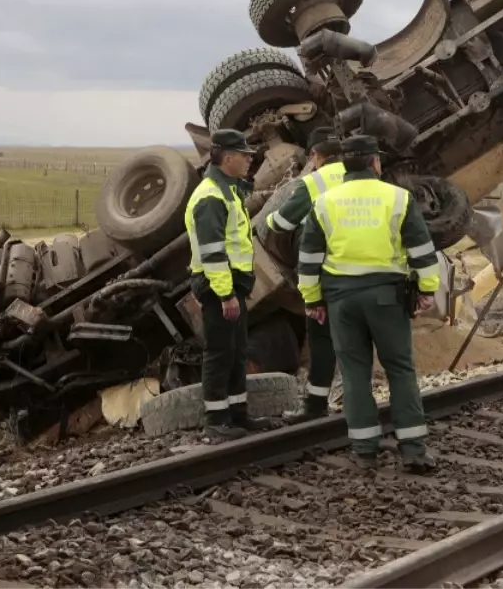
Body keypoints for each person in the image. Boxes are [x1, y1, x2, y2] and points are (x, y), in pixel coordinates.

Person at [296, 135, 440, 473]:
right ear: (375, 162)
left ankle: (364, 452)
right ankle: (414, 451)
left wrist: (312, 299)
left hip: (341, 301)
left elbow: (308, 259)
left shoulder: (325, 202)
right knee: (400, 370)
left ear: (345, 164)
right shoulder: (398, 198)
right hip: (386, 297)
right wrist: (427, 290)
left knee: (355, 374)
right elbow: (422, 252)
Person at [183, 129, 274, 441]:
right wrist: (225, 294)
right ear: (228, 158)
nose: (250, 159)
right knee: (220, 352)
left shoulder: (227, 190)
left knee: (235, 352)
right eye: (245, 154)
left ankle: (237, 415)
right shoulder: (211, 197)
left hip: (233, 285)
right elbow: (212, 252)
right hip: (219, 286)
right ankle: (216, 420)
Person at [264, 127, 345, 424]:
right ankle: (356, 399)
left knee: (322, 340)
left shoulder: (314, 182)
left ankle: (316, 405)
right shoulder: (369, 180)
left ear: (315, 155)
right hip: (364, 276)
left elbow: (282, 223)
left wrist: (269, 217)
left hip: (325, 276)